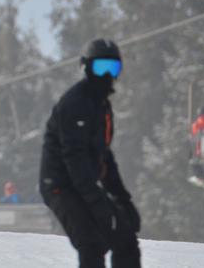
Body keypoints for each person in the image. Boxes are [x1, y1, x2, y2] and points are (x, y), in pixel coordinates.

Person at [39, 39, 141, 268]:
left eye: (113, 68)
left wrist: (123, 200)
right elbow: (75, 160)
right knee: (92, 242)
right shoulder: (75, 104)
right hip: (60, 185)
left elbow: (104, 157)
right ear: (86, 68)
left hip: (84, 182)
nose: (106, 75)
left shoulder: (101, 106)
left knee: (125, 238)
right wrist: (100, 204)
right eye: (100, 68)